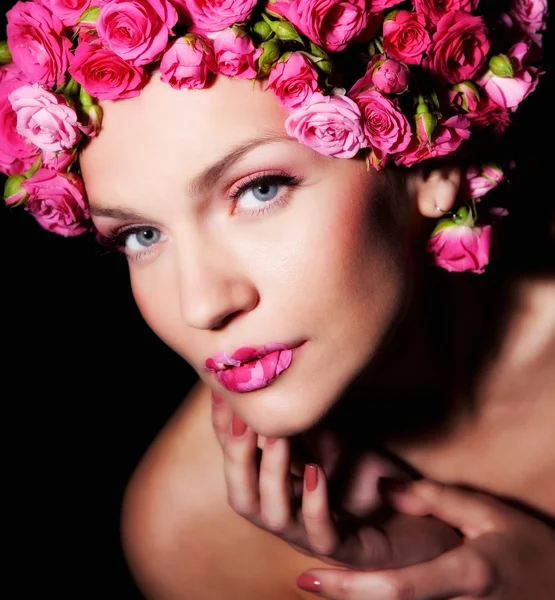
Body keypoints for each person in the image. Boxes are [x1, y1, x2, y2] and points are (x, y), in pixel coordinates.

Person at [2, 1, 553, 599]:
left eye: (260, 190)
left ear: (430, 161)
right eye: (141, 235)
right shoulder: (189, 536)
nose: (202, 304)